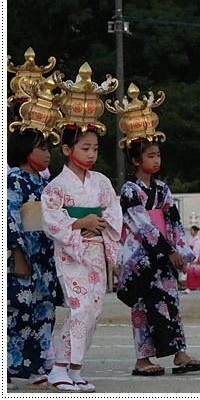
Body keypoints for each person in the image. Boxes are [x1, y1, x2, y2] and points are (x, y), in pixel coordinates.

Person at [110, 84, 200, 377]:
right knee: (143, 307)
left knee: (170, 303)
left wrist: (179, 252)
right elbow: (142, 225)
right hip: (142, 257)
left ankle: (180, 353)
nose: (156, 160)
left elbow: (173, 221)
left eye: (158, 155)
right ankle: (143, 360)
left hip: (165, 255)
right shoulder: (129, 190)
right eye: (150, 156)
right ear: (136, 160)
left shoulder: (163, 189)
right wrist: (168, 251)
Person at [41, 62, 123, 392]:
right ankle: (59, 367)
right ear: (66, 150)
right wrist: (80, 223)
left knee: (95, 311)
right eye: (84, 148)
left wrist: (99, 225)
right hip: (71, 252)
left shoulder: (101, 182)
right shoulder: (56, 187)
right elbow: (52, 220)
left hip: (95, 249)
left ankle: (75, 367)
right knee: (79, 308)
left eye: (95, 149)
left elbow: (113, 212)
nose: (91, 154)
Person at [6, 74, 63, 391]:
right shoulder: (14, 179)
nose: (47, 154)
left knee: (44, 312)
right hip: (25, 254)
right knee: (19, 311)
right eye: (42, 148)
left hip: (45, 253)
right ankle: (12, 368)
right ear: (27, 150)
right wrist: (17, 257)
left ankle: (39, 364)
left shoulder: (44, 182)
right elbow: (11, 219)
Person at [184, 226, 200, 293]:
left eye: (191, 230)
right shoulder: (191, 239)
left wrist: (194, 258)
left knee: (196, 274)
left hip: (194, 257)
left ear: (195, 231)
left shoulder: (197, 239)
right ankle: (188, 287)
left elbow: (196, 250)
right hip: (190, 256)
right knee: (190, 273)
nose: (190, 232)